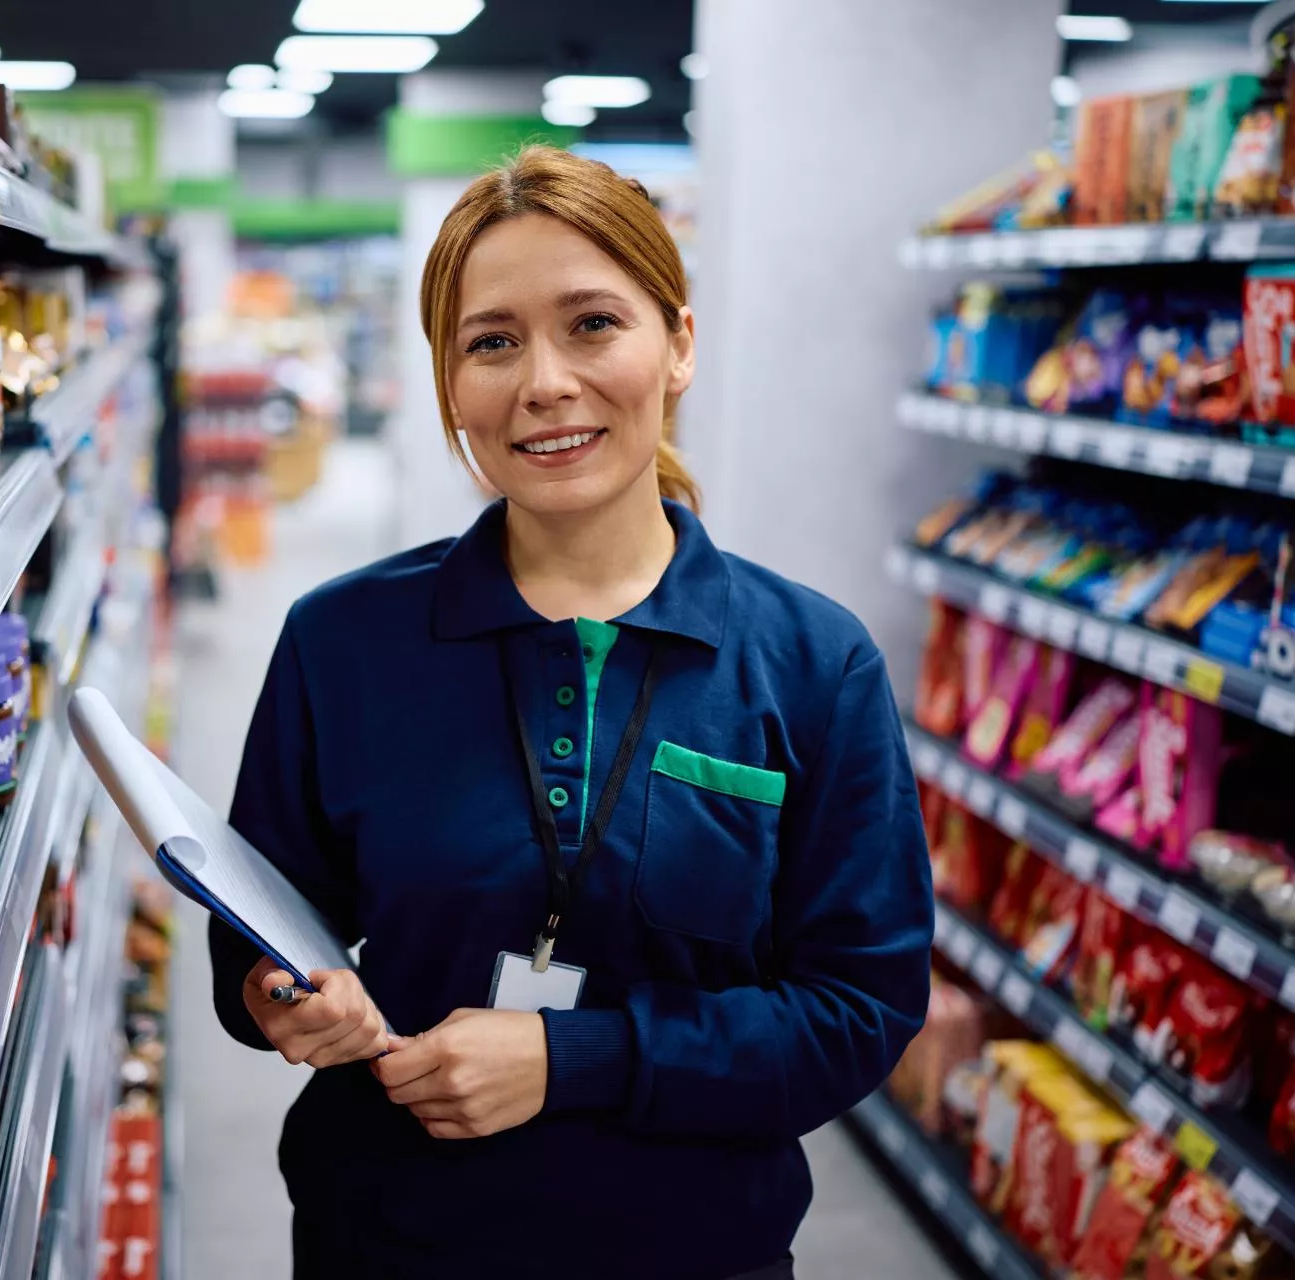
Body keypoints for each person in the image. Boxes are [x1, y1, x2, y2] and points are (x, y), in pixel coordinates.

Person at [209, 145, 933, 1280]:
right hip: (391, 1240)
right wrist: (275, 994)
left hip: (695, 1248)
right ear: (450, 382)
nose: (543, 381)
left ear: (678, 343)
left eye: (592, 323)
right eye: (492, 341)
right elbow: (256, 922)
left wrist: (573, 1057)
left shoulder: (811, 662)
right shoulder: (339, 640)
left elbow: (856, 1010)